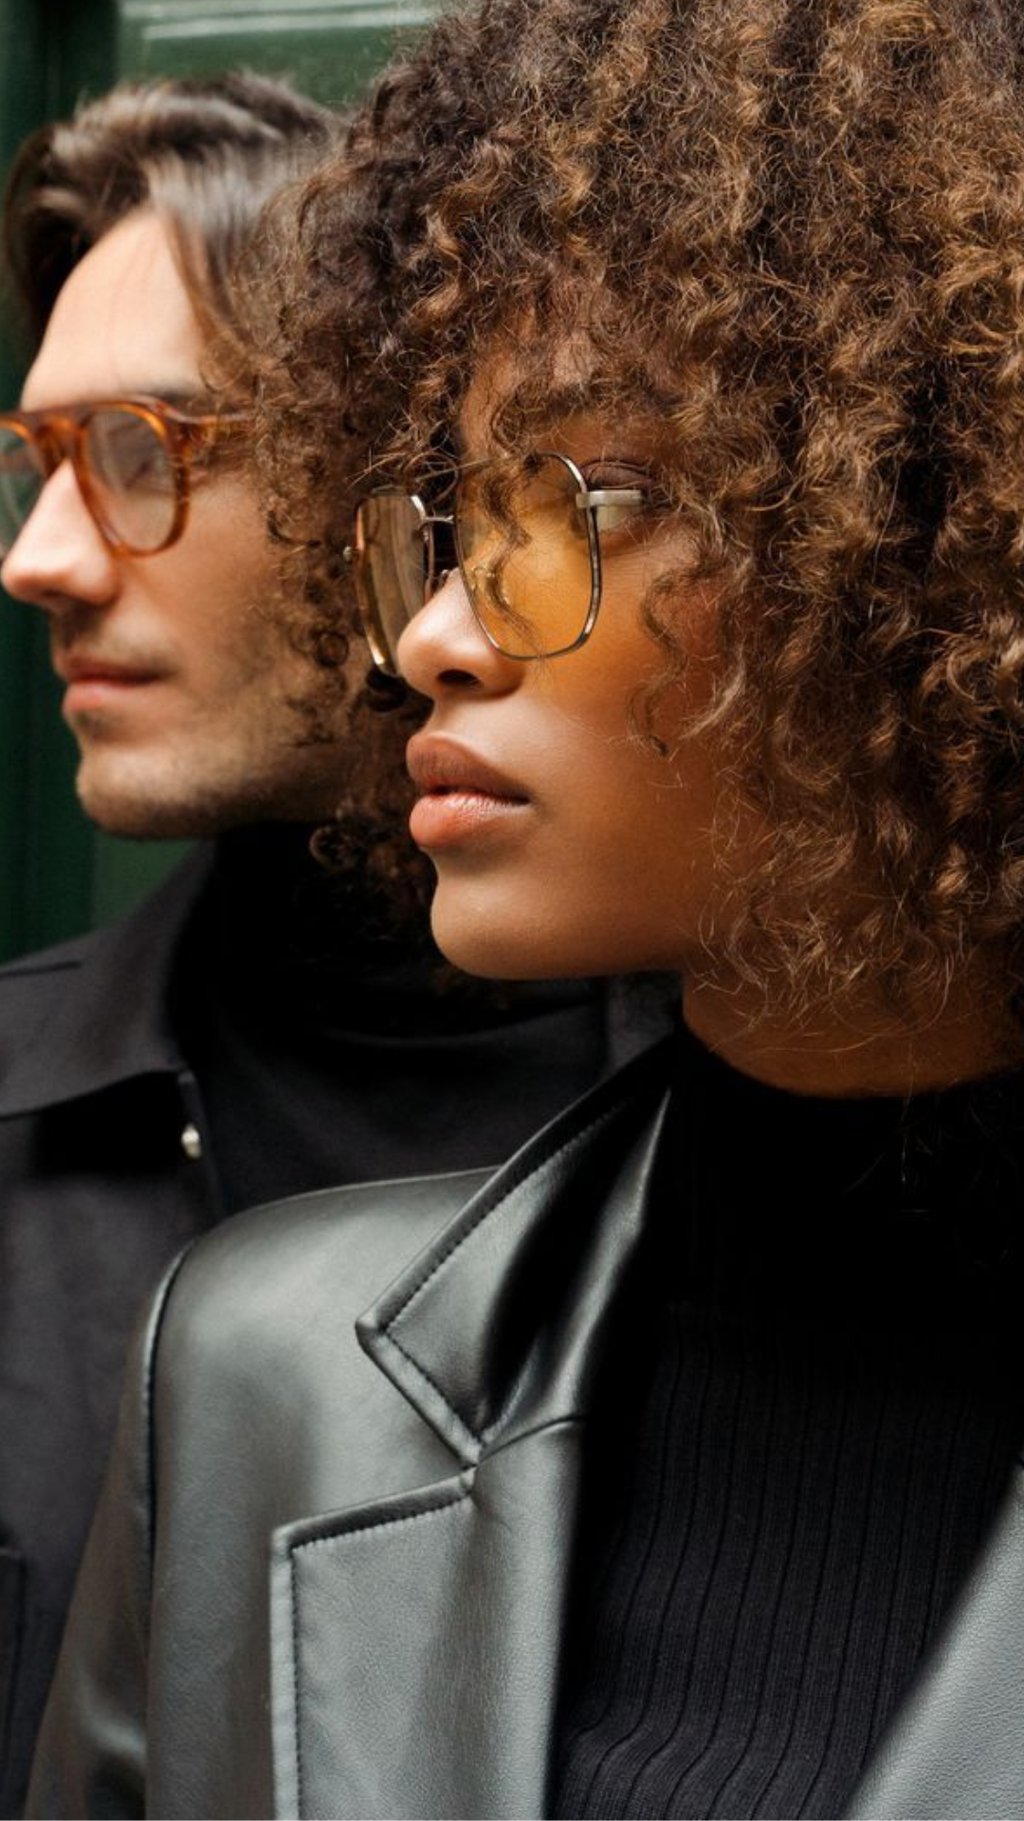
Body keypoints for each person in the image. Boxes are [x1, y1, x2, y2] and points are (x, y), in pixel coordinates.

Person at [28, 0, 1024, 1814]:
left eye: (579, 497)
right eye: (452, 516)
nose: (432, 635)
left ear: (924, 527)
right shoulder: (264, 1371)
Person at [0, 72, 670, 1818]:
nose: (42, 560)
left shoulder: (768, 1135)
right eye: (37, 465)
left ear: (393, 479)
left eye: (142, 453)